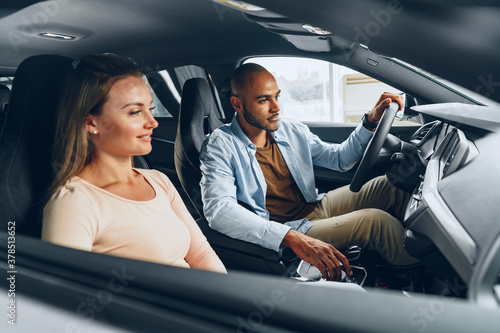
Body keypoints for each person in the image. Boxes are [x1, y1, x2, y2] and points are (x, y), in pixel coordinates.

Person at [199, 63, 418, 281]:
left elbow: (340, 159)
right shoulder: (220, 145)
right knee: (376, 222)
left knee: (392, 185)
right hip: (290, 229)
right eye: (263, 100)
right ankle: (425, 268)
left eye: (277, 96)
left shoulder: (290, 129)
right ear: (237, 104)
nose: (276, 107)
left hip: (316, 204)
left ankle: (421, 241)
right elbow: (218, 210)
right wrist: (291, 237)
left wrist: (370, 121)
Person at [42, 54, 226, 274]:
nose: (153, 122)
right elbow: (65, 298)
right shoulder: (74, 203)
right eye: (135, 112)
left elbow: (201, 255)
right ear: (91, 123)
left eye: (150, 108)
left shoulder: (158, 180)